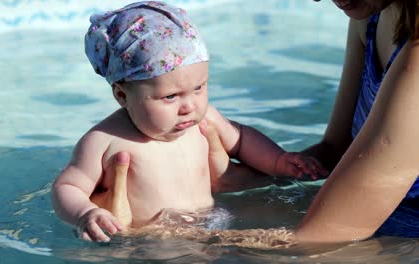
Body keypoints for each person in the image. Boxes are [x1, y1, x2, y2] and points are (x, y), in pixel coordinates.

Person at [109, 0, 419, 243]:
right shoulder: (370, 17)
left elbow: (327, 236)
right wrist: (233, 178)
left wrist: (151, 239)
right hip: (364, 222)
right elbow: (334, 150)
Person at [51, 1, 327, 243]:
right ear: (122, 95)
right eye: (170, 96)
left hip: (215, 220)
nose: (189, 106)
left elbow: (241, 140)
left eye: (199, 88)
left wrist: (278, 162)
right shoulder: (104, 140)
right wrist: (85, 213)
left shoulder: (203, 119)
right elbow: (68, 187)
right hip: (153, 241)